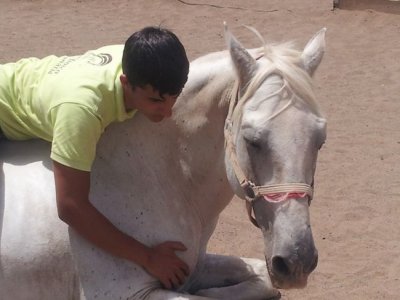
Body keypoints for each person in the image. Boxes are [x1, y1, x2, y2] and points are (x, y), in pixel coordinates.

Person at [0, 26, 190, 290]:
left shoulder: (137, 62)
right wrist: (148, 257)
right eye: (156, 100)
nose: (168, 111)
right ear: (126, 83)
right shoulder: (82, 110)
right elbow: (70, 206)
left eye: (174, 97)